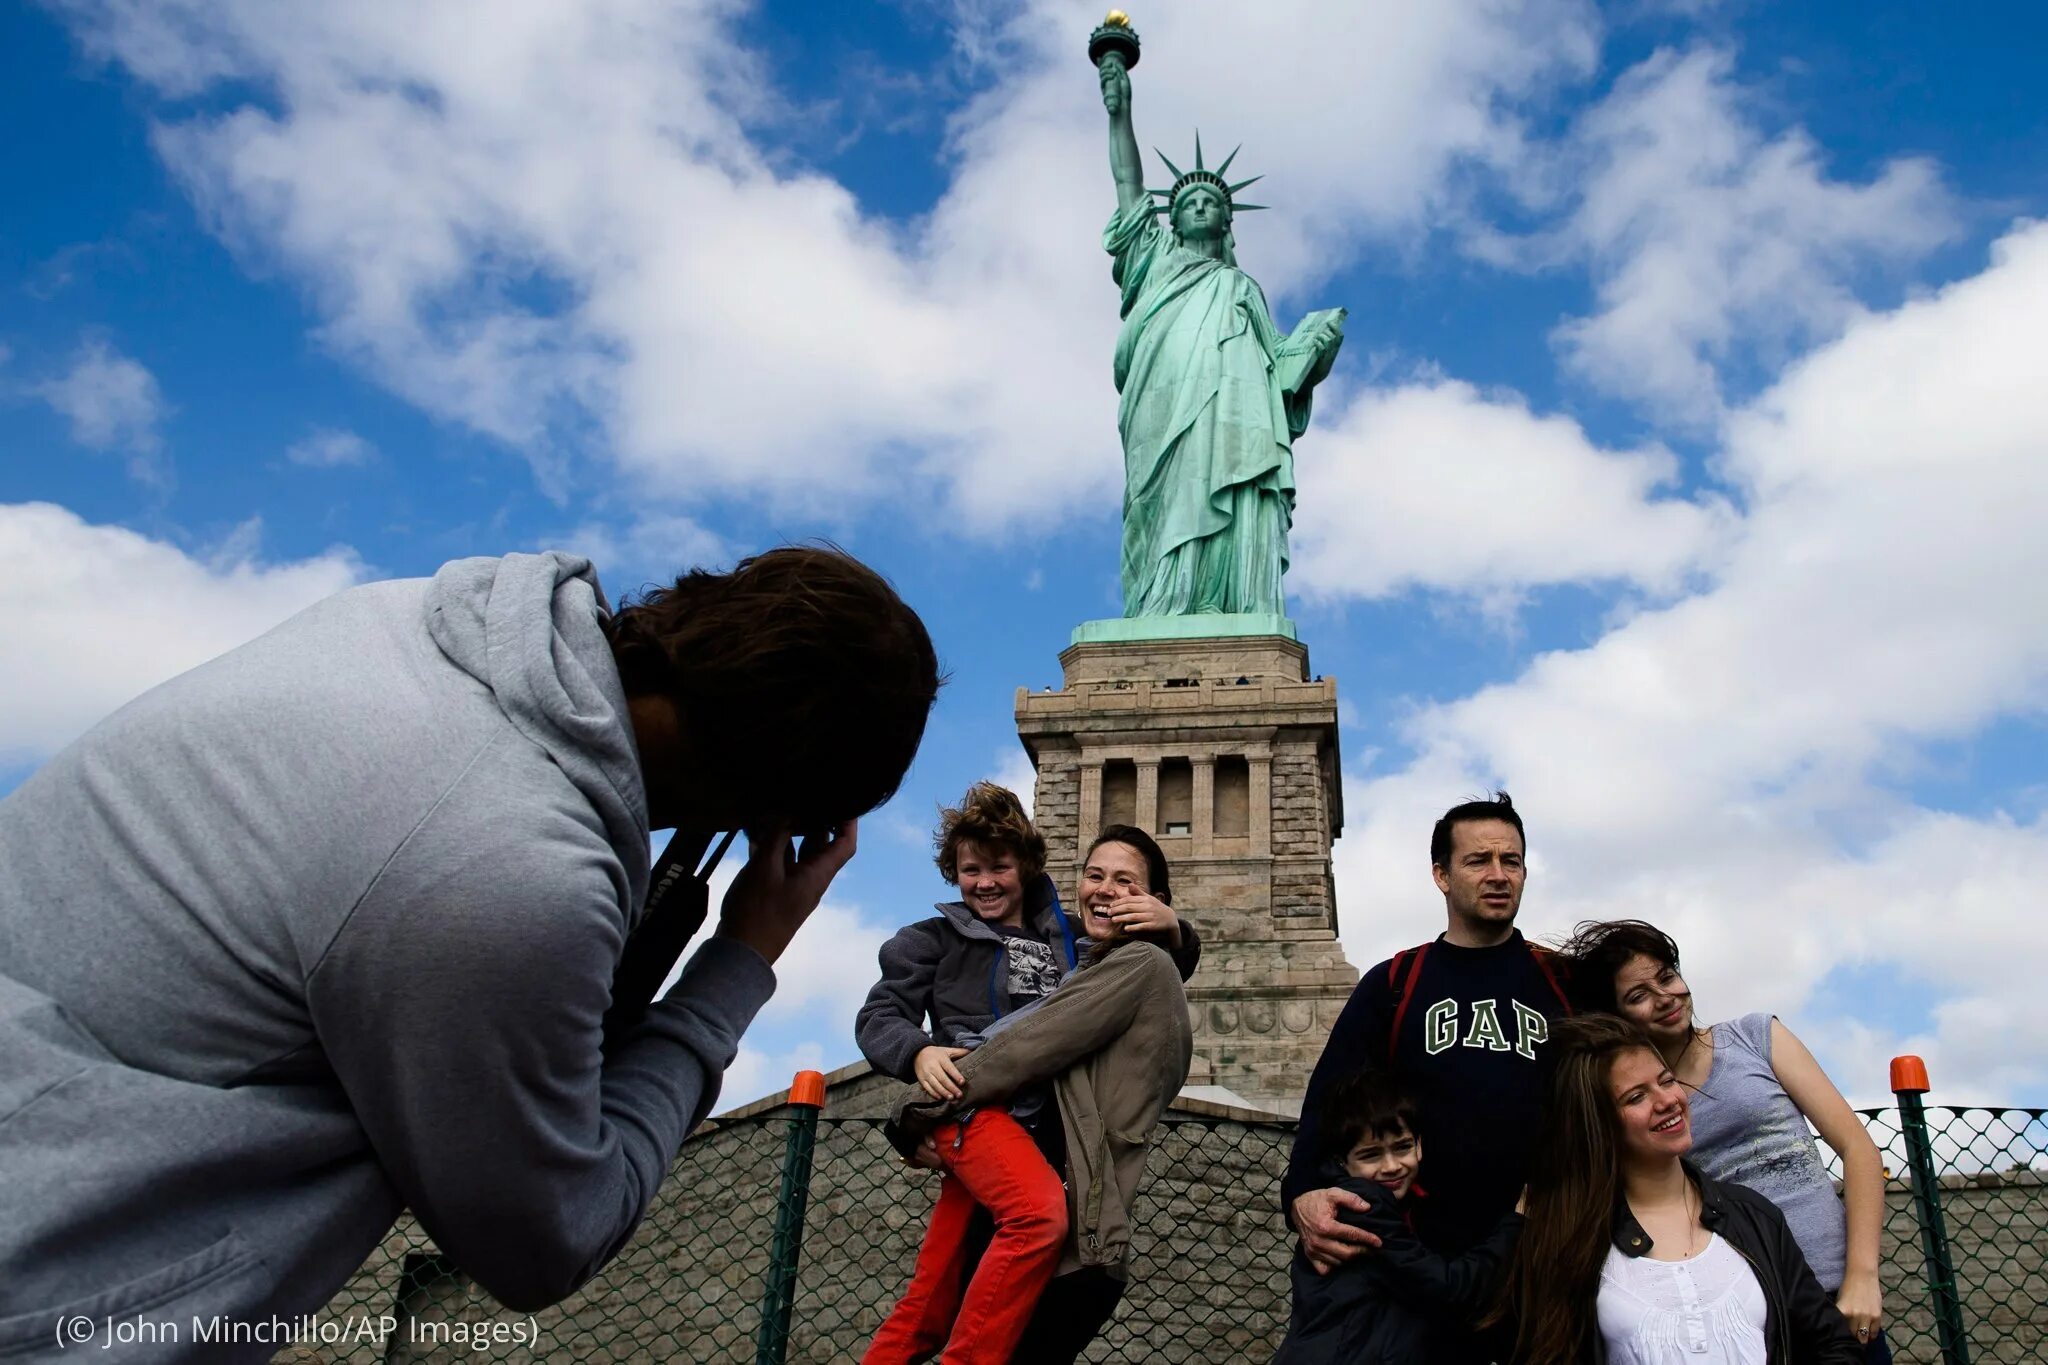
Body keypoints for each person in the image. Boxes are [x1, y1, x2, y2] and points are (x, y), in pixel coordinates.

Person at [0, 546, 938, 1356]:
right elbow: (547, 1239)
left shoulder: (406, 619)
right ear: (775, 808)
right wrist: (740, 958)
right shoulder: (510, 874)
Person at [868, 826, 1196, 1365]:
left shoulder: (1084, 947)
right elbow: (882, 1016)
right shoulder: (933, 937)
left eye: (1125, 881)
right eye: (1094, 876)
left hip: (1027, 1157)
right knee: (924, 1312)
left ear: (1027, 871)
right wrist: (918, 1057)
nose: (986, 882)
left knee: (938, 1308)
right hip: (976, 1124)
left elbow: (1049, 1029)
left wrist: (1178, 932)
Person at [1285, 791, 1572, 1333]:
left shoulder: (1564, 981)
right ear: (1441, 875)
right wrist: (1301, 1194)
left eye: (1510, 861)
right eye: (1478, 860)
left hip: (1548, 1253)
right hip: (1425, 1266)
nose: (1497, 874)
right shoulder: (1394, 983)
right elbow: (1328, 1101)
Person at [1560, 920, 1890, 1360]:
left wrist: (1862, 1276)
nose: (1665, 998)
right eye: (1638, 996)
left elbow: (1858, 1148)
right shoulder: (1639, 1105)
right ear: (1616, 1015)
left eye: (1667, 977)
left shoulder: (1755, 1037)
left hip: (1837, 1301)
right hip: (1738, 1312)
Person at [1096, 45, 1345, 617]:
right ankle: (1162, 603)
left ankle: (1228, 600)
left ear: (1227, 222)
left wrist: (1314, 352)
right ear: (1173, 217)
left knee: (1230, 483)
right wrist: (1119, 111)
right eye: (1189, 201)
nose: (1201, 207)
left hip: (1234, 415)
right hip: (1160, 407)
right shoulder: (1152, 259)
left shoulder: (1243, 289)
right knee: (1162, 499)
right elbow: (1127, 181)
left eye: (1212, 201)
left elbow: (1279, 369)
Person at [1492, 1014, 1863, 1365]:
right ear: (1599, 1124)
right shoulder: (1569, 1238)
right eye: (1636, 1097)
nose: (1667, 1101)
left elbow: (1831, 1344)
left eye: (1666, 1081)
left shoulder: (1755, 1217)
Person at [1273, 1069, 1524, 1364]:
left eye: (1402, 1147)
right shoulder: (1361, 1207)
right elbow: (1447, 1288)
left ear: (1419, 1145)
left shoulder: (1397, 1205)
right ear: (1342, 1161)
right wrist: (1515, 1224)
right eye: (1371, 1155)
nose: (1391, 1166)